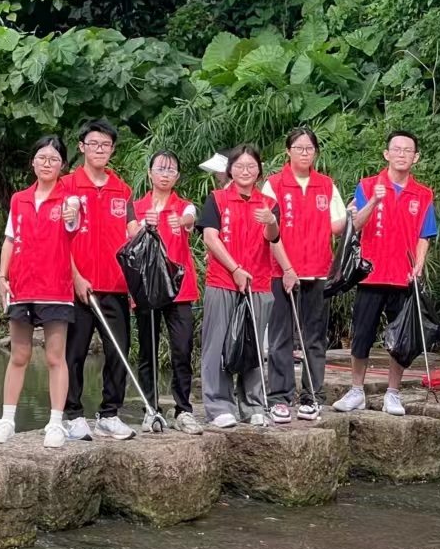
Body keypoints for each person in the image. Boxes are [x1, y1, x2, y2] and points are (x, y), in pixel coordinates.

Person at [333, 131, 437, 417]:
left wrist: (419, 263)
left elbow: (425, 234)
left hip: (404, 277)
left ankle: (393, 392)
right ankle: (356, 390)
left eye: (407, 150)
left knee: (401, 338)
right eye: (396, 149)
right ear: (386, 154)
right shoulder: (368, 185)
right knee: (362, 335)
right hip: (370, 274)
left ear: (416, 157)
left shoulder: (424, 194)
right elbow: (356, 224)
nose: (401, 154)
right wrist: (373, 202)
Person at [0, 136, 79, 447]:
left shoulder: (69, 200)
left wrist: (72, 214)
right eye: (42, 158)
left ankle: (55, 422)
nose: (47, 164)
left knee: (55, 356)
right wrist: (2, 276)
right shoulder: (19, 199)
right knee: (19, 354)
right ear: (33, 162)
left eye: (54, 159)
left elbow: (73, 222)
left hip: (55, 287)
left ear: (62, 165)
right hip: (22, 285)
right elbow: (10, 239)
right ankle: (7, 419)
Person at [59, 119, 138, 440]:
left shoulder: (123, 190)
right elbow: (58, 238)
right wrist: (75, 276)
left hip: (115, 285)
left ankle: (109, 414)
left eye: (105, 145)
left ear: (112, 149)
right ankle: (72, 414)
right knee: (74, 352)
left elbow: (132, 233)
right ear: (82, 147)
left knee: (118, 350)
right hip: (76, 285)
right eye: (93, 144)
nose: (99, 149)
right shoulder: (66, 186)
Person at [264, 127, 346, 423]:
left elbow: (338, 225)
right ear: (288, 151)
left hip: (319, 270)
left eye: (309, 148)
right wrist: (287, 269)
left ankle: (312, 396)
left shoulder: (326, 185)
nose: (304, 153)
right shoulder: (274, 184)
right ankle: (279, 397)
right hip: (281, 272)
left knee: (314, 338)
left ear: (315, 152)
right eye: (298, 148)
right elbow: (268, 232)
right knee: (281, 337)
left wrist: (355, 213)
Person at [198, 146, 280, 427]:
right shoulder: (217, 199)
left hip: (259, 282)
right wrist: (234, 269)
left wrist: (271, 221)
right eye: (240, 166)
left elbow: (273, 238)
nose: (246, 171)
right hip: (223, 280)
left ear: (259, 170)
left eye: (251, 166)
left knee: (253, 344)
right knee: (217, 344)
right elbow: (210, 237)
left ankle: (252, 404)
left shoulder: (268, 203)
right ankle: (219, 405)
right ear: (230, 170)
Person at [133, 151, 202, 433]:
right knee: (147, 351)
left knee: (182, 349)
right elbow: (127, 237)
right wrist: (142, 226)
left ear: (177, 176)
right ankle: (150, 409)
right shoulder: (137, 207)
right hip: (147, 288)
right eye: (160, 169)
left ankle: (183, 409)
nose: (165, 174)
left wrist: (183, 222)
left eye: (171, 170)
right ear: (149, 173)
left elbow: (191, 217)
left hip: (179, 289)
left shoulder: (182, 206)